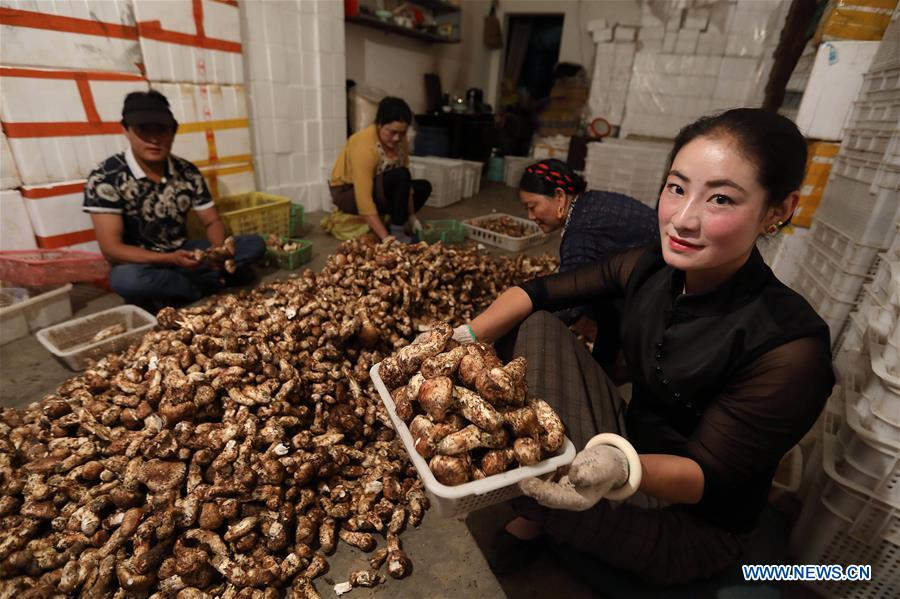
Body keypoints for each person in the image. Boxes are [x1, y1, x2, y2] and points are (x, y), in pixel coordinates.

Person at [453, 108, 835, 585]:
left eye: (720, 198)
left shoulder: (791, 348)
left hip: (686, 513)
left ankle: (551, 519)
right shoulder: (652, 267)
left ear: (778, 211)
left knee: (522, 480)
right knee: (537, 326)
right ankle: (544, 514)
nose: (683, 219)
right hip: (623, 439)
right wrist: (461, 339)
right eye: (676, 188)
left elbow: (708, 475)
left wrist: (622, 465)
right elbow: (540, 291)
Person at [83, 90, 265, 311]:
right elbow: (112, 249)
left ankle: (184, 288)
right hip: (143, 263)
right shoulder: (106, 177)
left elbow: (211, 221)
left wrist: (218, 252)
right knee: (125, 280)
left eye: (161, 129)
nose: (153, 139)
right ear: (126, 130)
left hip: (185, 251)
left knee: (254, 243)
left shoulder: (187, 171)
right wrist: (170, 259)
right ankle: (206, 284)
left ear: (173, 131)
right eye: (143, 130)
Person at [518, 158, 658, 374]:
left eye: (532, 206)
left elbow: (571, 304)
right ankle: (606, 366)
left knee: (591, 298)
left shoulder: (580, 231)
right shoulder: (589, 203)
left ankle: (617, 365)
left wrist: (523, 322)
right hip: (650, 276)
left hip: (659, 292)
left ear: (559, 196)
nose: (531, 216)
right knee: (599, 293)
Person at [329, 97, 432, 243]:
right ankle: (396, 233)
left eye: (402, 133)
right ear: (379, 124)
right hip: (347, 191)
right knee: (400, 175)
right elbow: (363, 199)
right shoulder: (364, 145)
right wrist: (386, 238)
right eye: (392, 132)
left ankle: (394, 224)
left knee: (422, 187)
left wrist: (411, 216)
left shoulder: (400, 142)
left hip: (378, 185)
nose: (397, 138)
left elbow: (407, 184)